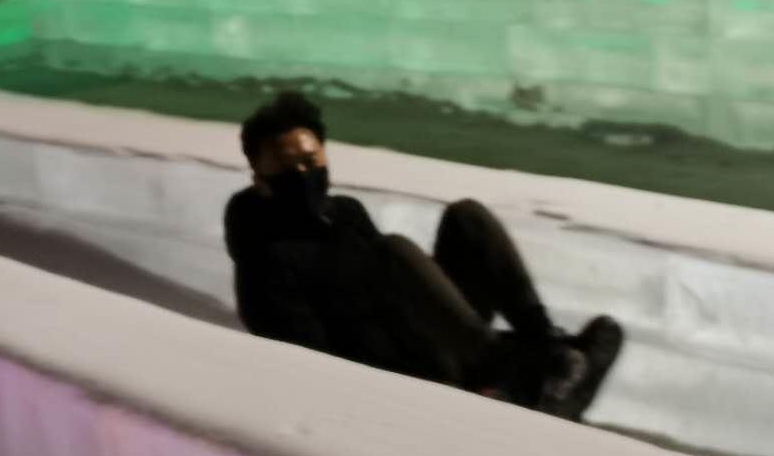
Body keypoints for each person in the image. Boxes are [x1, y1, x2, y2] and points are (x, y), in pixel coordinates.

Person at [223, 92, 621, 418]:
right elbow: (309, 368)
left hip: (427, 341)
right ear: (260, 180)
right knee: (393, 251)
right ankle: (514, 377)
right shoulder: (263, 262)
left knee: (468, 219)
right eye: (285, 166)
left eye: (310, 161)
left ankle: (546, 348)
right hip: (397, 375)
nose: (302, 174)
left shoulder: (345, 212)